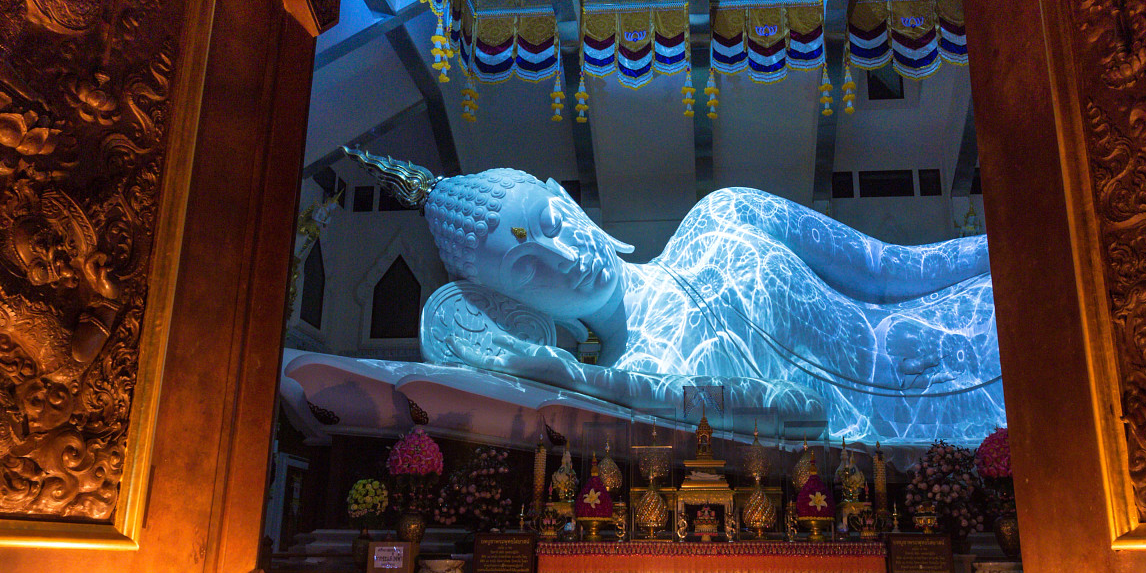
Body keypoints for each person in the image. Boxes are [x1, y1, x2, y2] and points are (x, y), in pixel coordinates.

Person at [347, 150, 1005, 444]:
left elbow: (892, 270)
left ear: (565, 197)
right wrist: (569, 373)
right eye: (525, 266)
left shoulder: (725, 214)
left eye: (549, 222)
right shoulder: (636, 380)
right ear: (519, 304)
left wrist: (1017, 256)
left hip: (975, 317)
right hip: (955, 431)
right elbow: (794, 414)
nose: (562, 255)